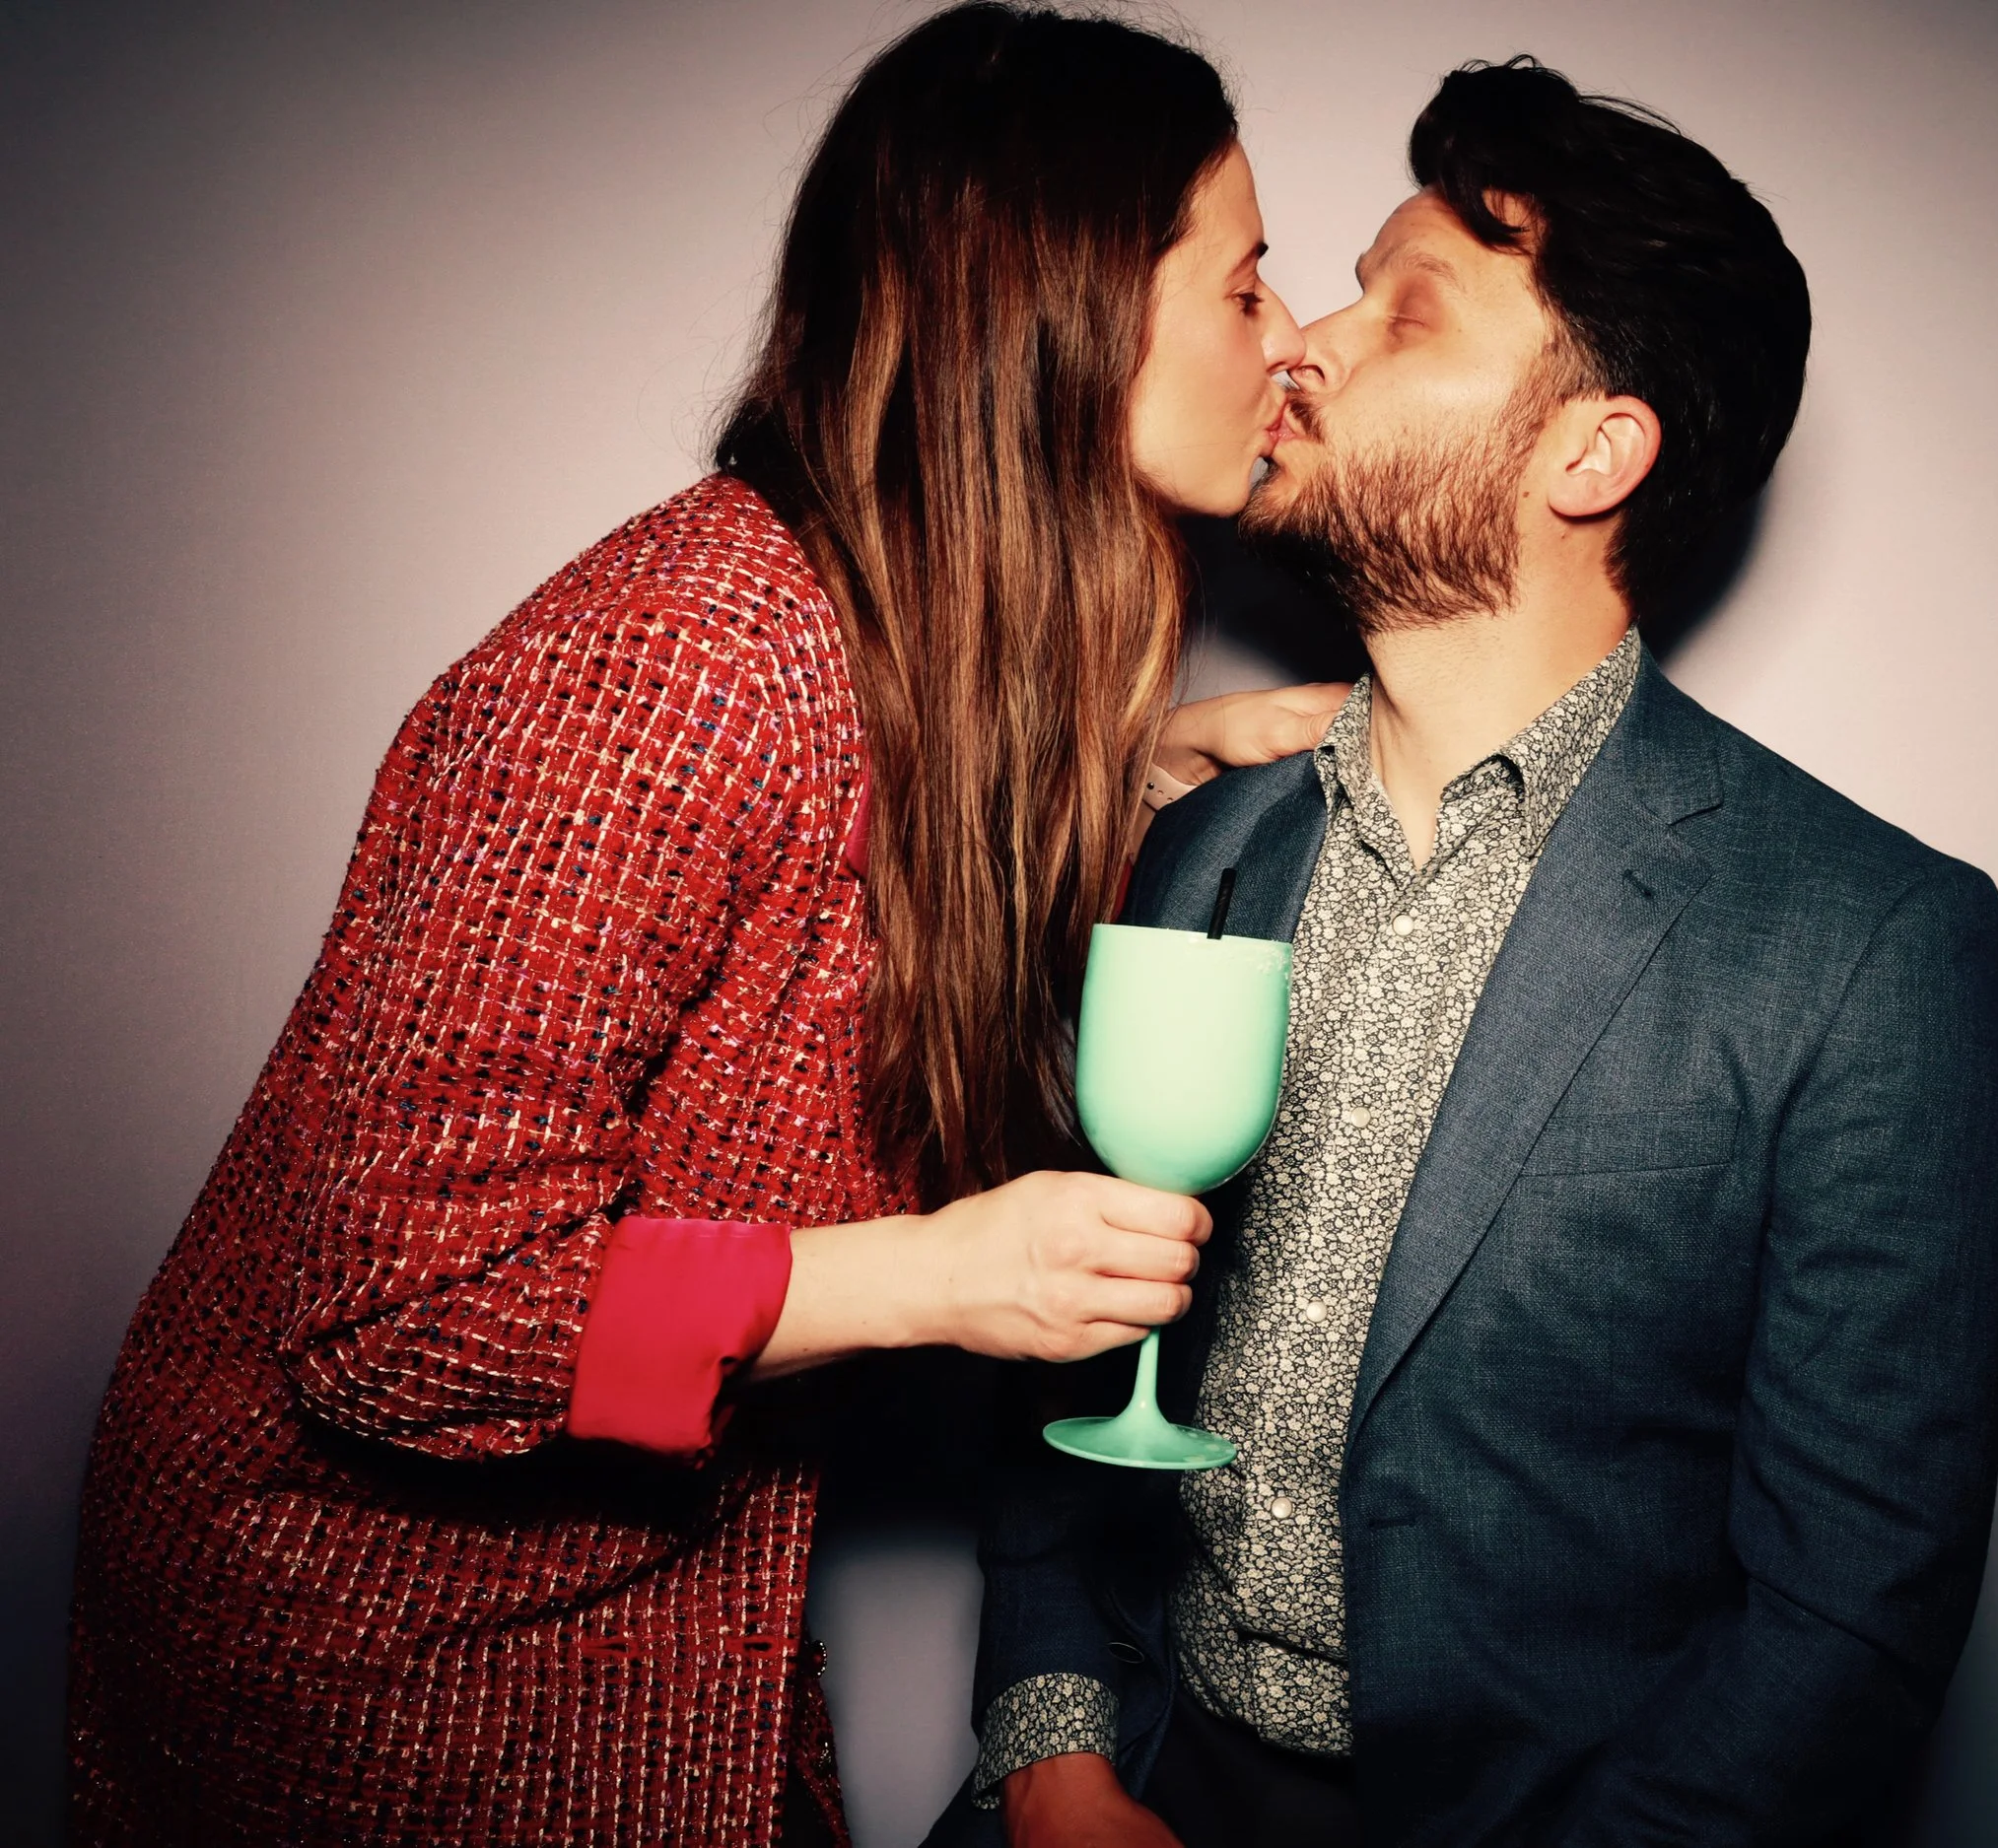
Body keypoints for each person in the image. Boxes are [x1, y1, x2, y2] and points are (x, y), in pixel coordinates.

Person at [66, 8, 1347, 1844]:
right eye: (1243, 287)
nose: (1289, 343)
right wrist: (933, 1274)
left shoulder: (896, 648)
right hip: (373, 1651)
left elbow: (831, 870)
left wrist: (1150, 758)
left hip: (676, 1603)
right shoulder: (680, 659)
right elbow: (402, 1308)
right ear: (1058, 315)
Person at [944, 56, 1998, 1848]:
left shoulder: (1867, 946)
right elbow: (1063, 1362)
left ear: (1592, 451)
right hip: (1135, 1767)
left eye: (1404, 310)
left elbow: (1850, 1618)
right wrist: (1055, 1758)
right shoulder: (1197, 843)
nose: (1305, 342)